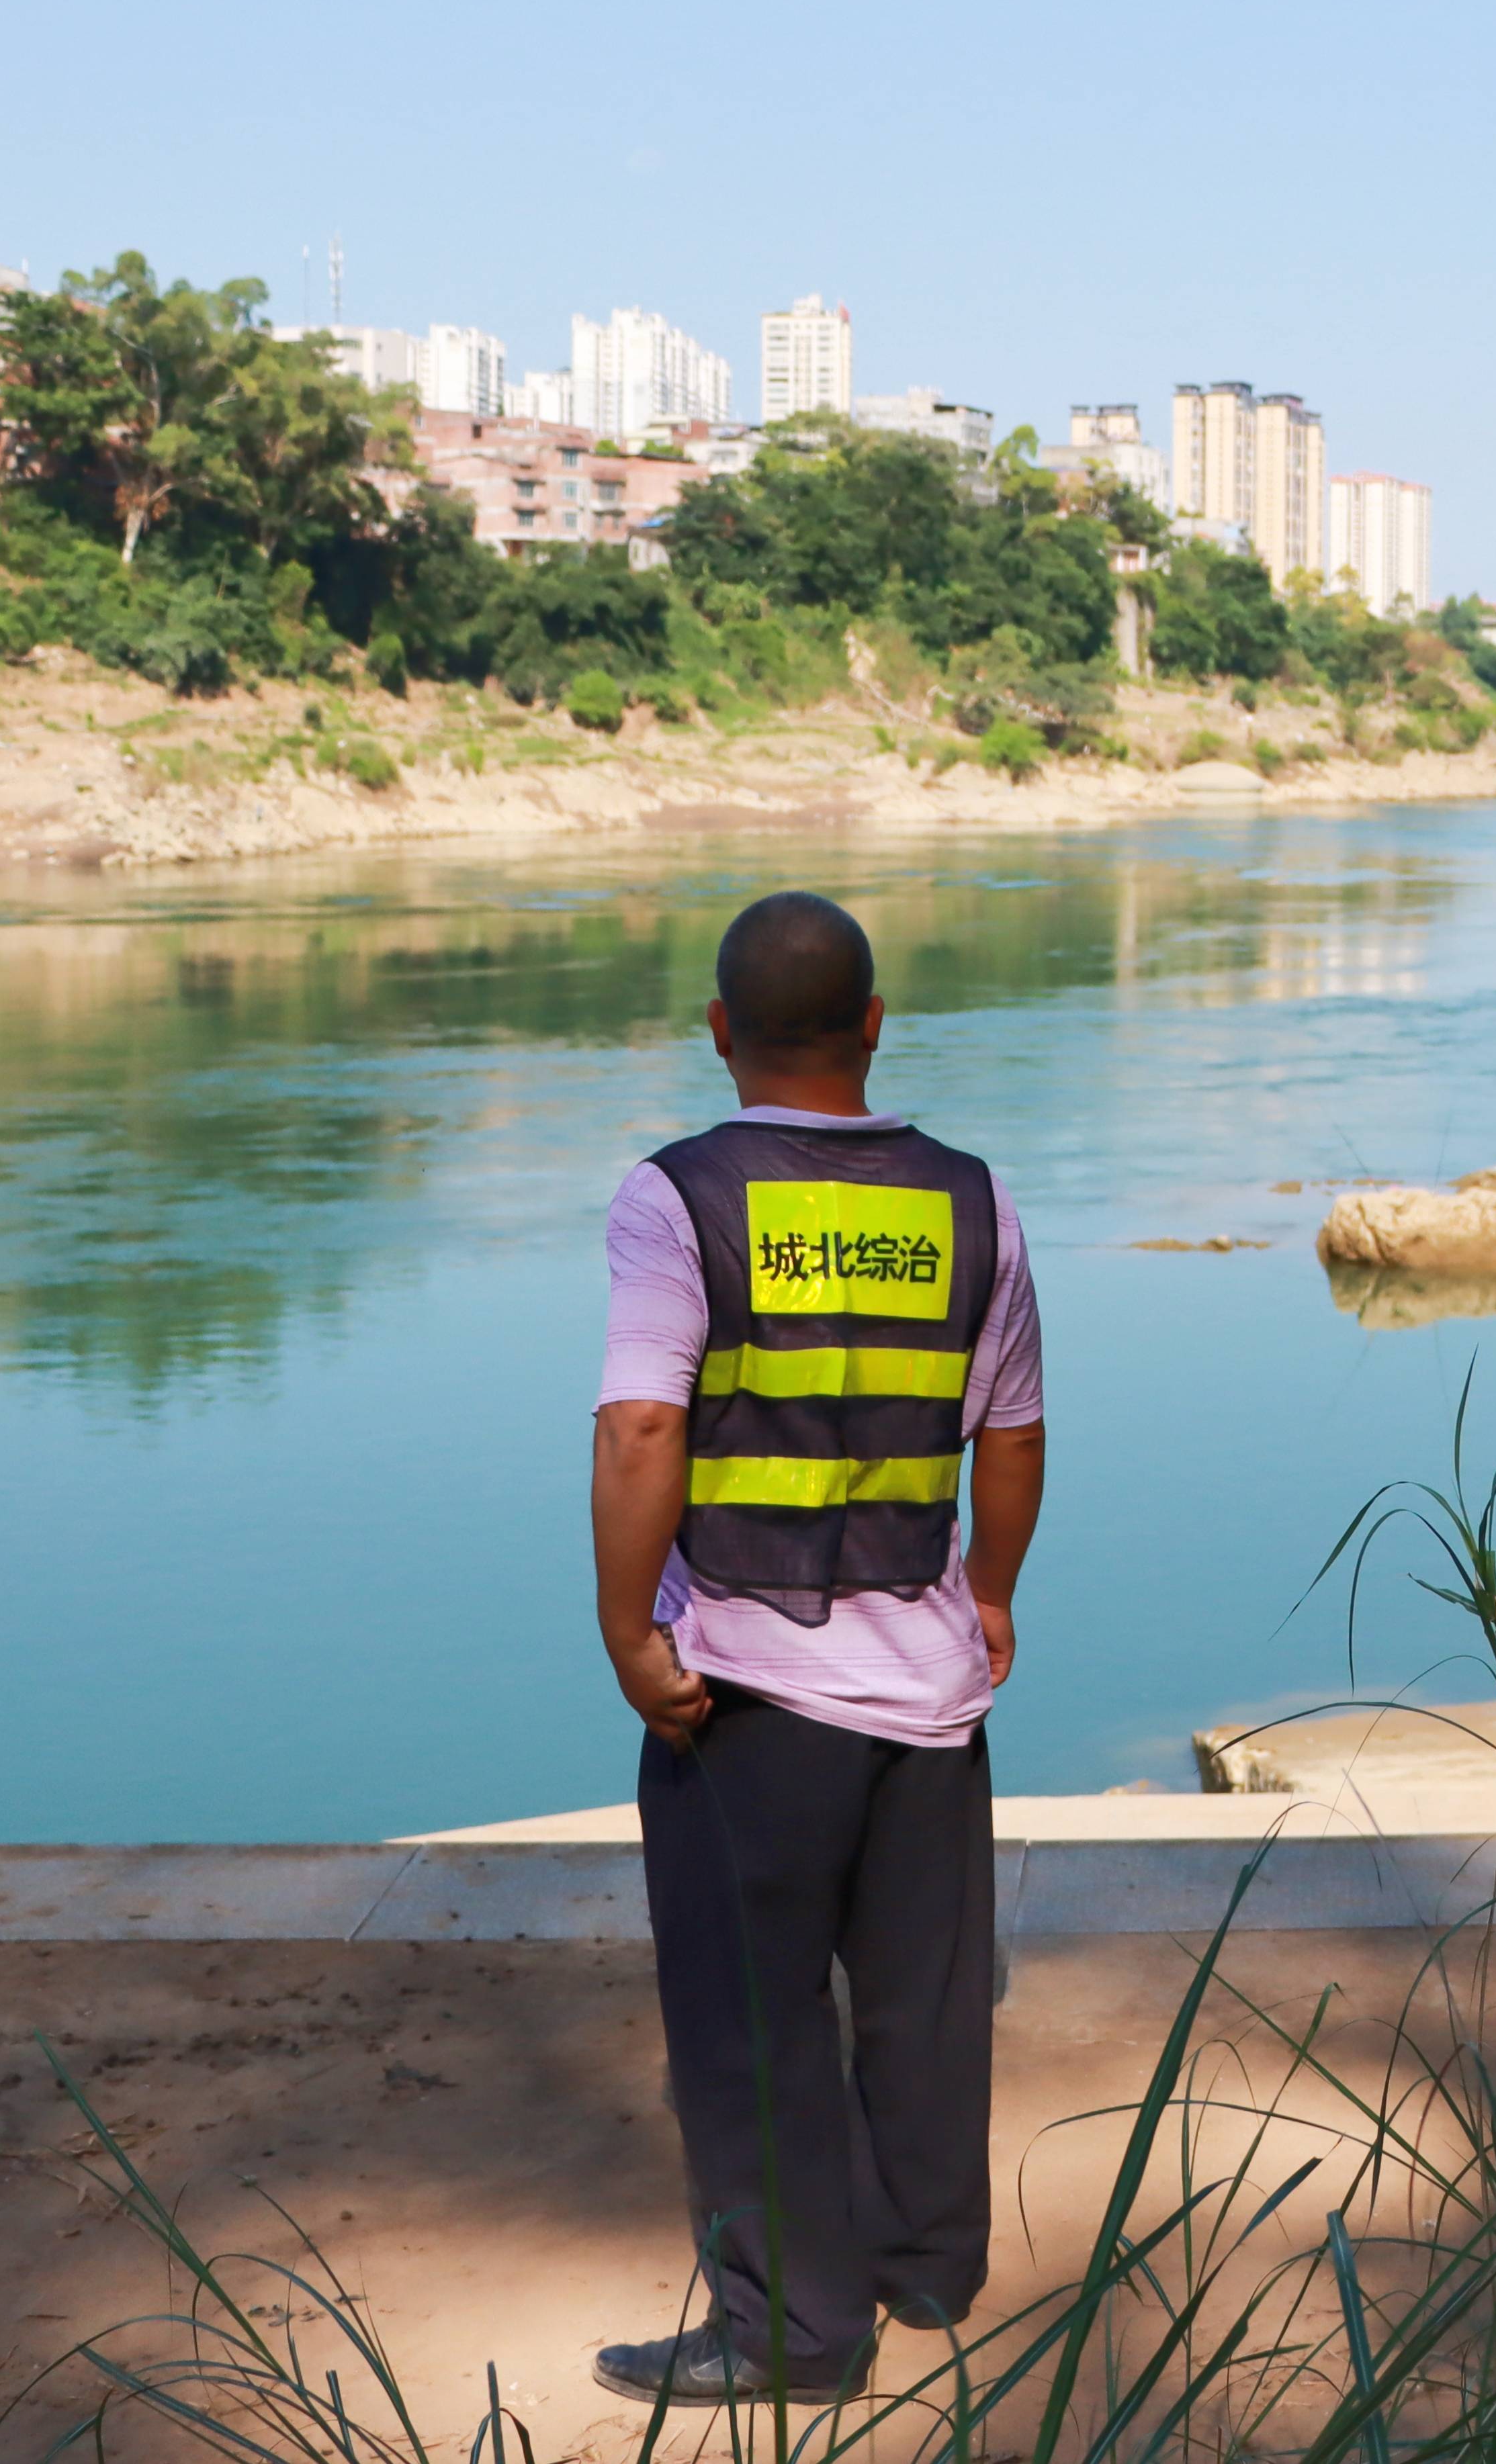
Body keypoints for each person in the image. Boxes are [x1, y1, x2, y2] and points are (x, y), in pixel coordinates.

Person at [585, 889, 1047, 2407]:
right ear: (872, 1024)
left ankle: (793, 2328)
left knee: (747, 2010)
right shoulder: (973, 1201)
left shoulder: (676, 1196)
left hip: (748, 1682)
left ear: (718, 1029)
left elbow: (646, 1420)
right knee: (920, 1992)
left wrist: (623, 1630)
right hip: (925, 1687)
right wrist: (988, 1589)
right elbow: (1013, 1426)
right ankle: (923, 2264)